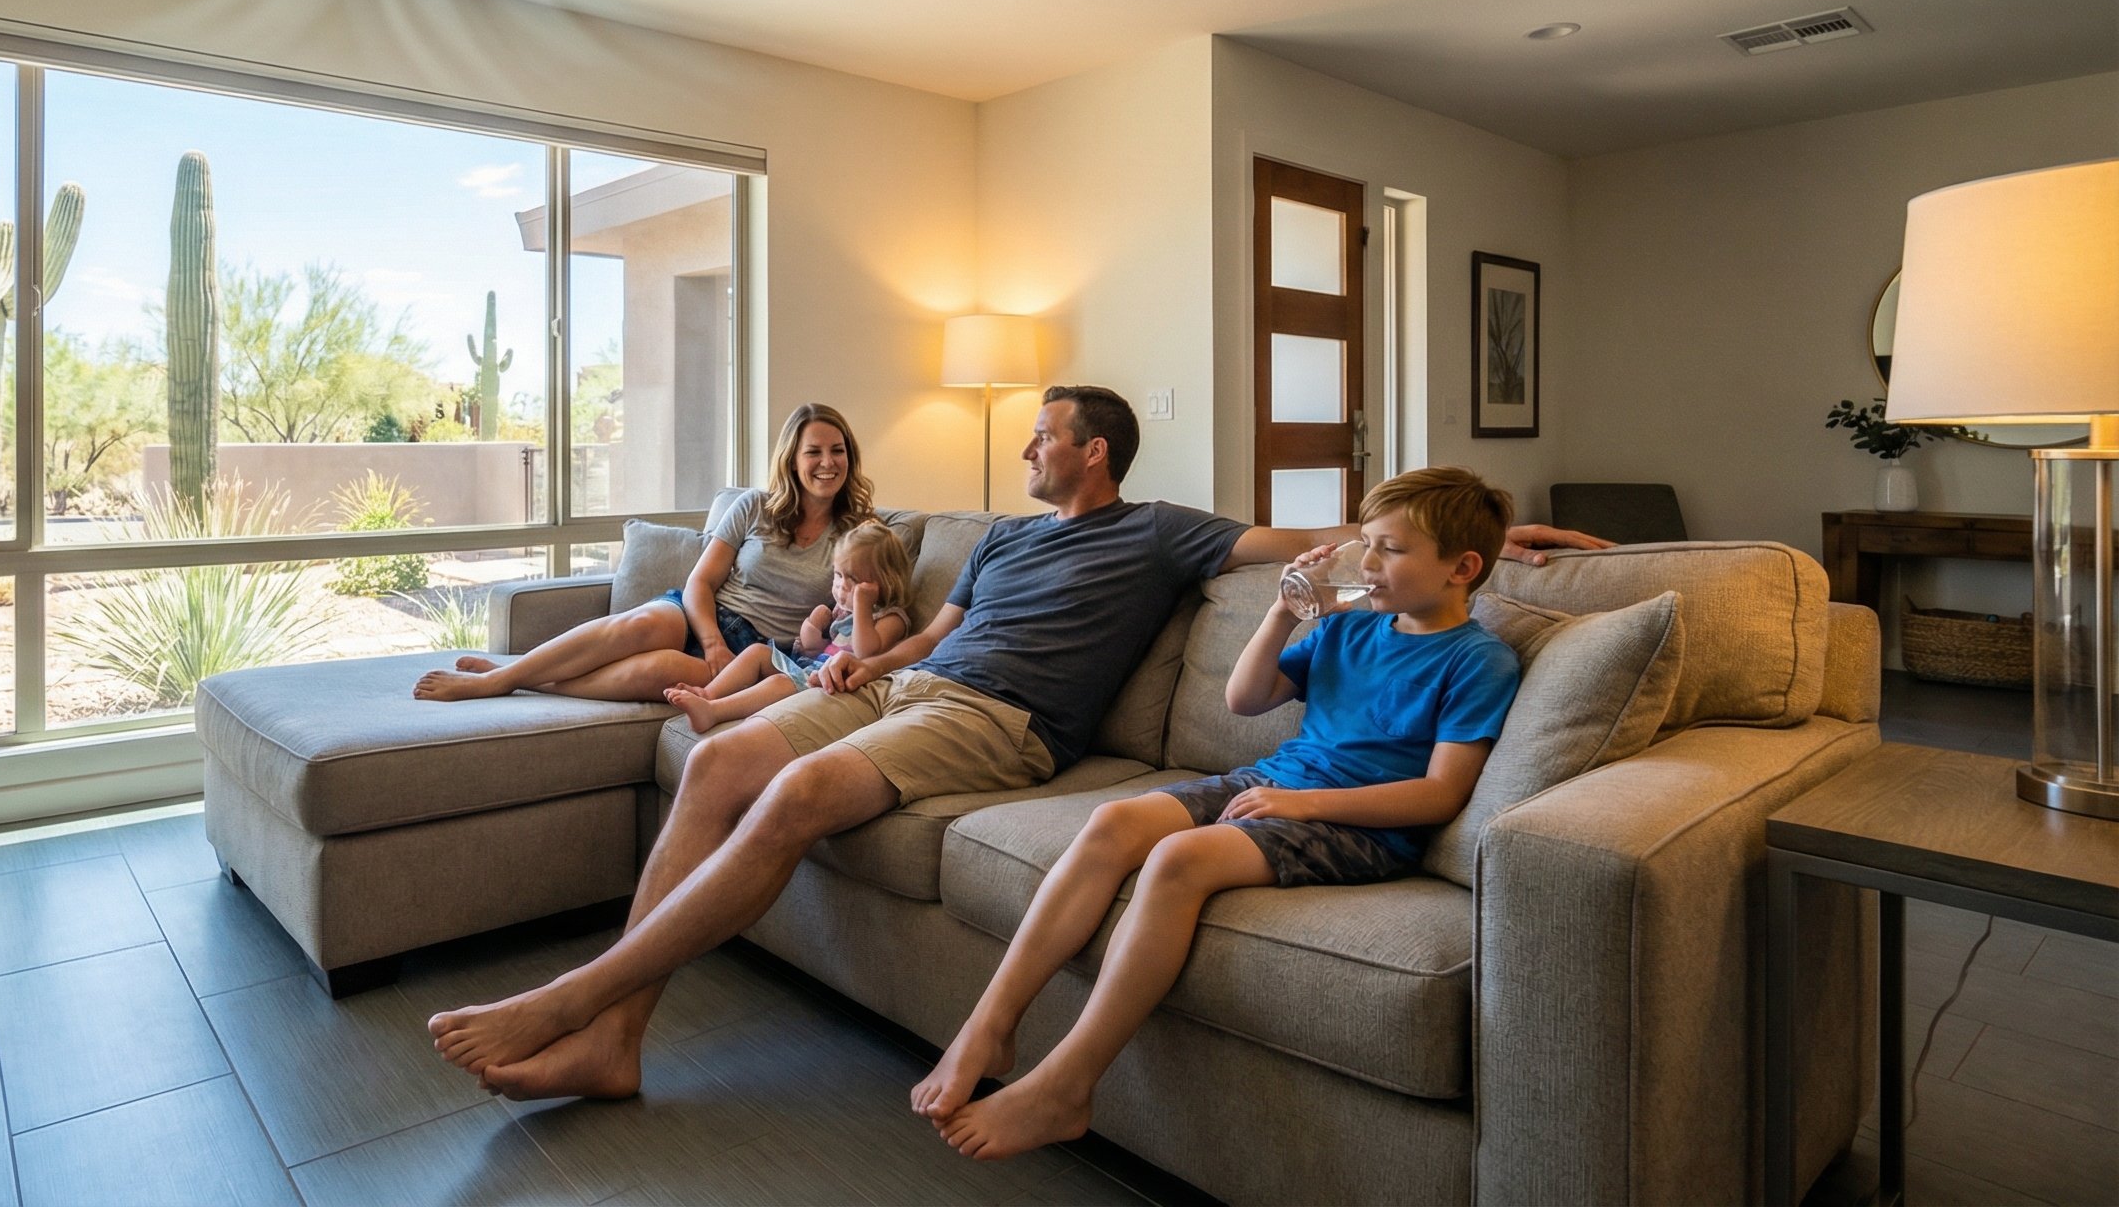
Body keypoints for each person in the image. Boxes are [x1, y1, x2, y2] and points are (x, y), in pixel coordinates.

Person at [425, 387, 1603, 1102]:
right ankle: (615, 1041)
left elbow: (1336, 541)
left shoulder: (1162, 535)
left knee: (790, 796)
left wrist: (1490, 527)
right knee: (726, 759)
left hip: (1000, 724)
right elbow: (934, 633)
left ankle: (578, 995)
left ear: (1093, 451)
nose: (1028, 453)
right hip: (913, 686)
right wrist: (854, 661)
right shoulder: (997, 543)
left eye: (1044, 437)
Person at [916, 466, 1525, 1161]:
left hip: (1362, 825)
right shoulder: (1349, 631)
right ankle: (991, 1024)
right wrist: (1281, 614)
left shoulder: (1478, 661)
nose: (1367, 562)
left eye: (1390, 548)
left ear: (1462, 567)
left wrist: (1302, 803)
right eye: (1366, 544)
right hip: (1272, 779)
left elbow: (1441, 793)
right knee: (1115, 822)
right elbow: (1246, 697)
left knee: (1179, 858)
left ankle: (1066, 1084)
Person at [413, 403, 875, 703]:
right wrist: (712, 639)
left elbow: (871, 605)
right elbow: (701, 582)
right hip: (708, 615)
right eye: (813, 451)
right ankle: (497, 681)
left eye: (837, 451)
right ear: (792, 459)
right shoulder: (754, 506)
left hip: (760, 652)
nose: (827, 462)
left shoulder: (859, 535)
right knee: (640, 623)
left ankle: (521, 676)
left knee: (655, 673)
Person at [665, 520, 915, 735]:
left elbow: (865, 653)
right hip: (811, 668)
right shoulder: (843, 613)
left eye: (855, 580)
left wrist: (861, 606)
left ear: (886, 581)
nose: (841, 587)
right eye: (838, 575)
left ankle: (713, 712)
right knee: (757, 652)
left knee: (781, 683)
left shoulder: (891, 618)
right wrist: (812, 629)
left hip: (832, 685)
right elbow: (816, 649)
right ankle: (707, 694)